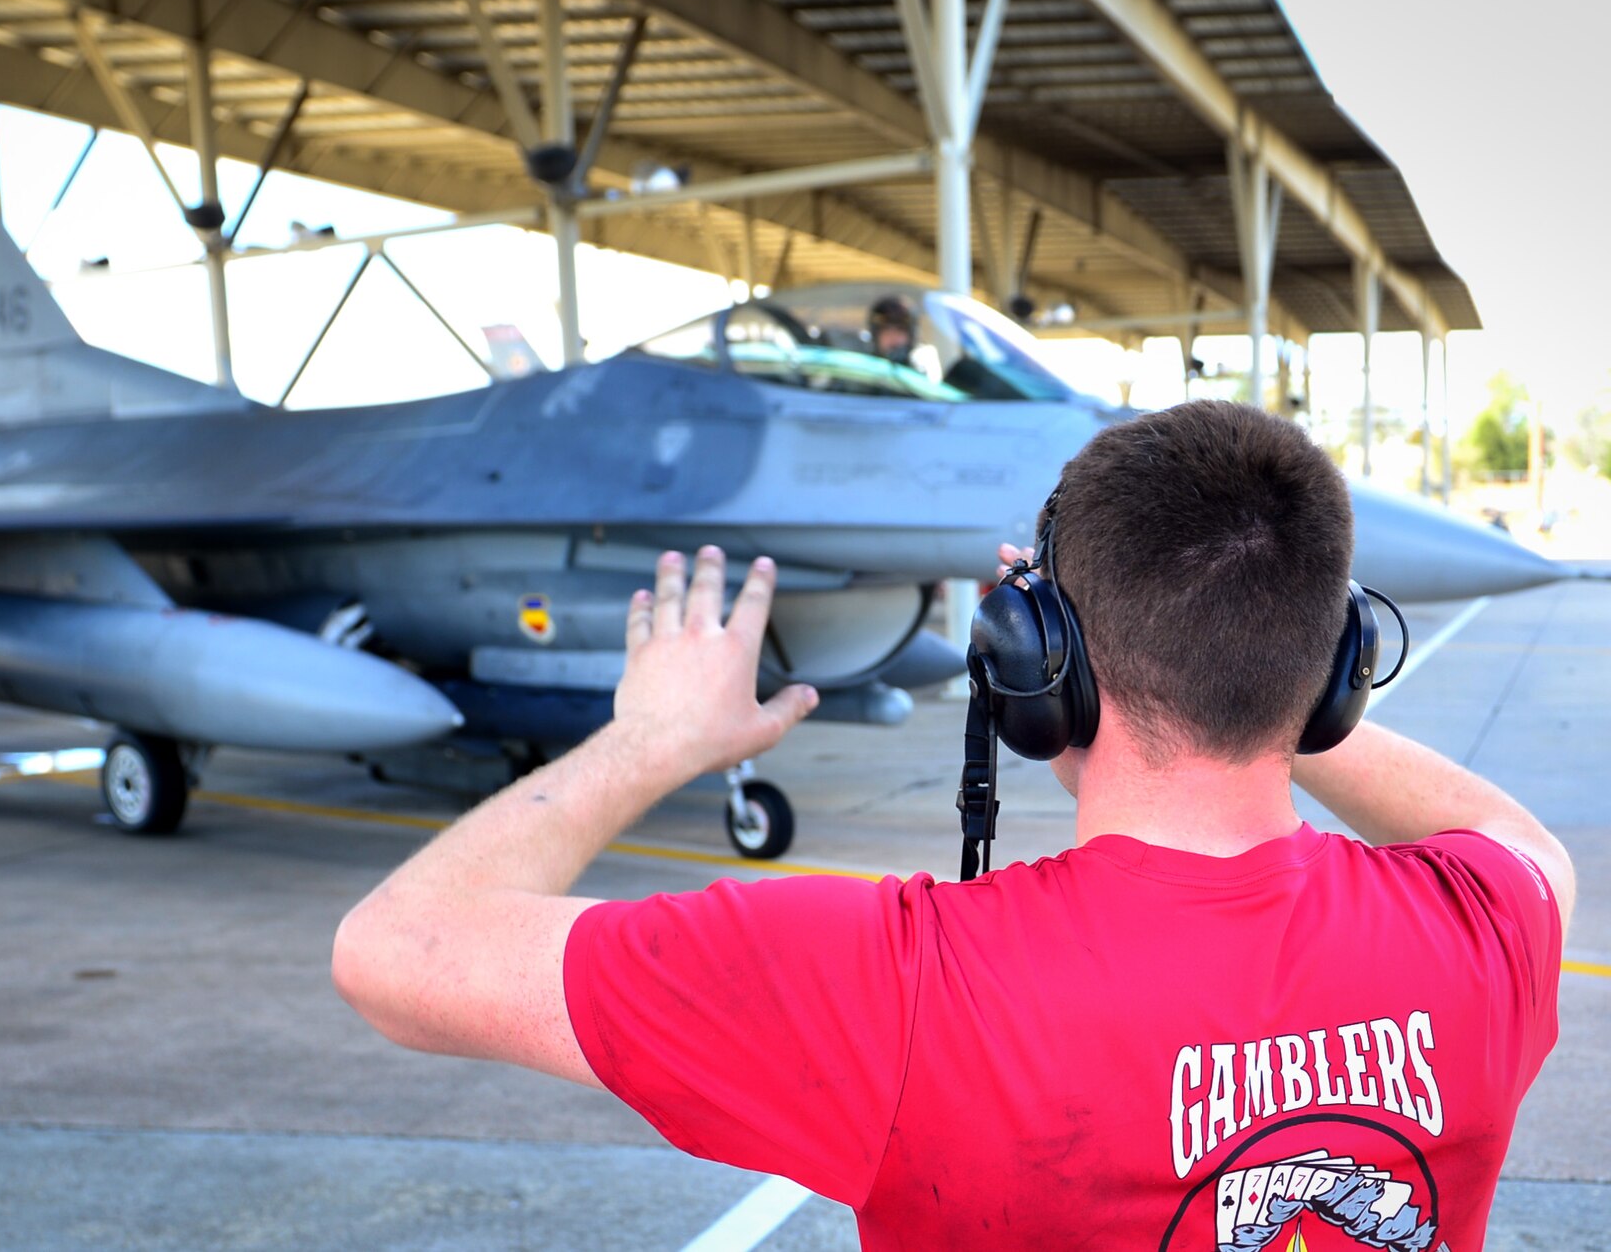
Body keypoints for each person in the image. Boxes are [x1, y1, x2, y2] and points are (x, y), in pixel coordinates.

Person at [332, 401, 1572, 1249]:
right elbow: (1518, 839)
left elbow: (394, 957)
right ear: (1341, 666)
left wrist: (653, 740)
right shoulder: (1489, 928)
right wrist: (1283, 671)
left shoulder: (897, 987)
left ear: (1037, 669)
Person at [867, 294, 917, 364]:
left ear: (911, 335)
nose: (893, 337)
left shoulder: (923, 369)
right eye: (886, 331)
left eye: (900, 330)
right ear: (875, 336)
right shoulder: (863, 370)